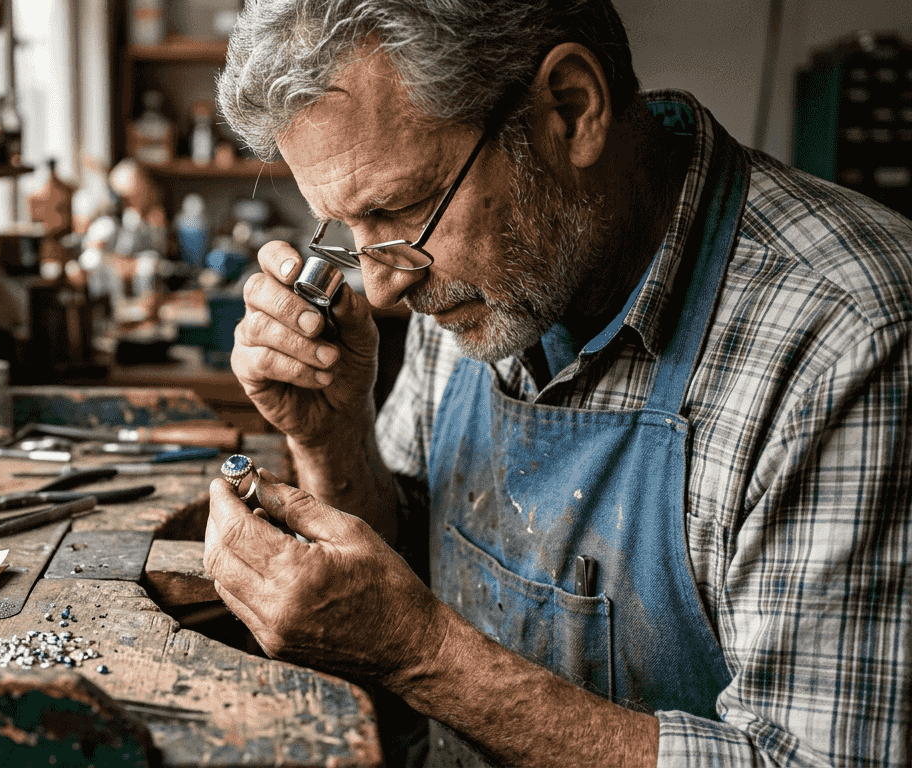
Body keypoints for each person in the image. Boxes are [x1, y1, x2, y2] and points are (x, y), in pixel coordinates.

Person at [202, 2, 912, 766]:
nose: (381, 289)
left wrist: (421, 654)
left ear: (570, 111)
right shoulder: (476, 284)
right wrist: (332, 436)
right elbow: (410, 558)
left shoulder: (851, 337)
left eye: (400, 209)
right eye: (346, 229)